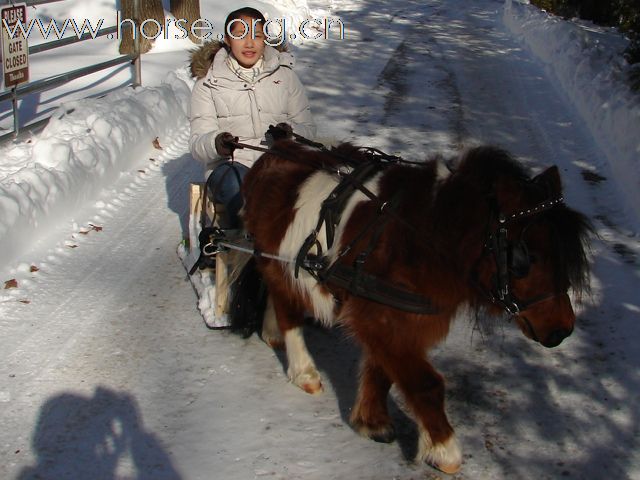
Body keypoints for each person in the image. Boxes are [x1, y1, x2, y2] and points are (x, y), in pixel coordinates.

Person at [189, 7, 316, 228]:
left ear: (265, 38)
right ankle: (240, 244)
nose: (249, 44)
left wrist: (291, 134)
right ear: (228, 39)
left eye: (256, 35)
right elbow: (197, 144)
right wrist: (216, 143)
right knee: (237, 184)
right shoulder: (208, 83)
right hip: (233, 167)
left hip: (279, 163)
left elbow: (309, 129)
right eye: (240, 35)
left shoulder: (285, 76)